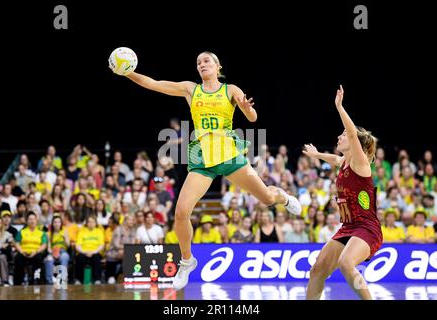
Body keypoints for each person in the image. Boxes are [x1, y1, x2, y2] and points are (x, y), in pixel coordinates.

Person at [117, 51, 302, 289]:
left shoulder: (231, 89)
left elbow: (253, 118)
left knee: (267, 198)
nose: (202, 64)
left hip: (229, 154)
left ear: (217, 66)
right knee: (182, 211)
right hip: (202, 158)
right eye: (198, 62)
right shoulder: (190, 89)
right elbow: (152, 83)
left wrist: (246, 108)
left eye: (206, 61)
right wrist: (127, 72)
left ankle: (284, 197)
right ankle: (187, 260)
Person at [302, 85, 382, 300]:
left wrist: (339, 106)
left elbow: (354, 135)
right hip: (348, 227)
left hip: (367, 228)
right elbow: (335, 159)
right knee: (317, 270)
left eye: (343, 134)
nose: (340, 136)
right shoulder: (345, 162)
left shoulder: (360, 163)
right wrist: (316, 154)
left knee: (346, 263)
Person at [14, 212, 48, 285]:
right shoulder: (21, 232)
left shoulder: (42, 233)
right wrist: (22, 252)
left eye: (34, 219)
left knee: (39, 259)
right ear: (26, 221)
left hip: (36, 253)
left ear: (36, 221)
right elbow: (16, 243)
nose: (32, 221)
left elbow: (44, 245)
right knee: (18, 258)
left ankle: (36, 280)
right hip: (24, 253)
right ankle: (18, 282)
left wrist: (35, 252)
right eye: (30, 219)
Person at [75, 215, 105, 284]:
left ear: (95, 223)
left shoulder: (99, 231)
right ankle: (78, 280)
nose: (91, 223)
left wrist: (94, 252)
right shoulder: (82, 231)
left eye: (92, 222)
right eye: (89, 222)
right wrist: (84, 252)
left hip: (95, 252)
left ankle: (97, 279)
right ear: (86, 223)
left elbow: (101, 245)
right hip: (83, 251)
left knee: (97, 257)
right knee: (80, 257)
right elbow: (77, 245)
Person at [44, 215, 70, 284]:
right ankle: (49, 281)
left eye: (59, 222)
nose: (57, 224)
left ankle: (62, 279)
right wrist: (53, 252)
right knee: (49, 259)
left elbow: (68, 245)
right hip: (52, 252)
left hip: (62, 251)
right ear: (52, 224)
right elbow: (48, 249)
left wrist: (65, 238)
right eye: (55, 222)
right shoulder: (48, 234)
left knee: (64, 257)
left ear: (61, 223)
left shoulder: (65, 231)